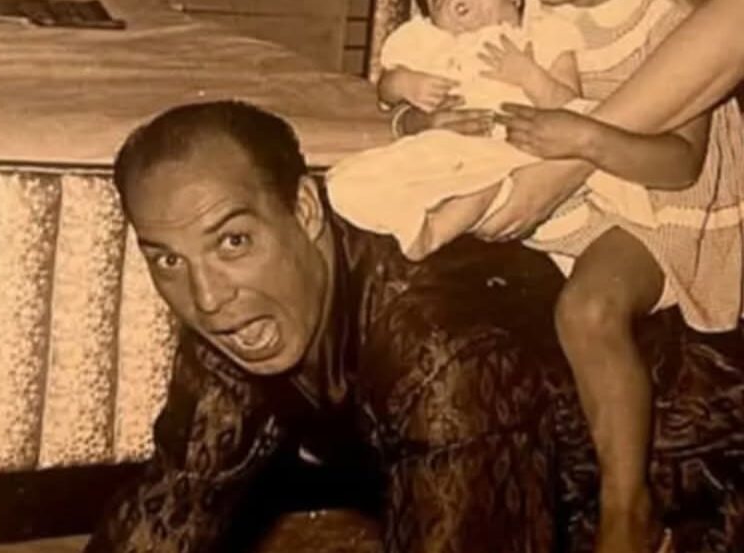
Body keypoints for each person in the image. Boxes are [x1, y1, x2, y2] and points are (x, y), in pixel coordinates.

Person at [83, 100, 573, 552]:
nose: (207, 299)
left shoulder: (440, 352)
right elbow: (170, 512)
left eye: (234, 242)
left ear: (306, 209)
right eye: (169, 260)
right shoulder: (243, 318)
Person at [378, 0, 744, 551]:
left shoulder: (668, 15)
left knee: (587, 310)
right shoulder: (528, 10)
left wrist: (586, 139)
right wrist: (424, 120)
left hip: (657, 208)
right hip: (574, 201)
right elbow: (413, 97)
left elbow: (679, 167)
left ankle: (629, 510)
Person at [326, 0, 594, 260]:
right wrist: (406, 83)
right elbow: (386, 90)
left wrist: (529, 75)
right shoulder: (429, 42)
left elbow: (573, 109)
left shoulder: (543, 31)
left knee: (481, 187)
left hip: (514, 153)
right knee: (343, 182)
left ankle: (433, 233)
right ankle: (411, 218)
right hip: (443, 150)